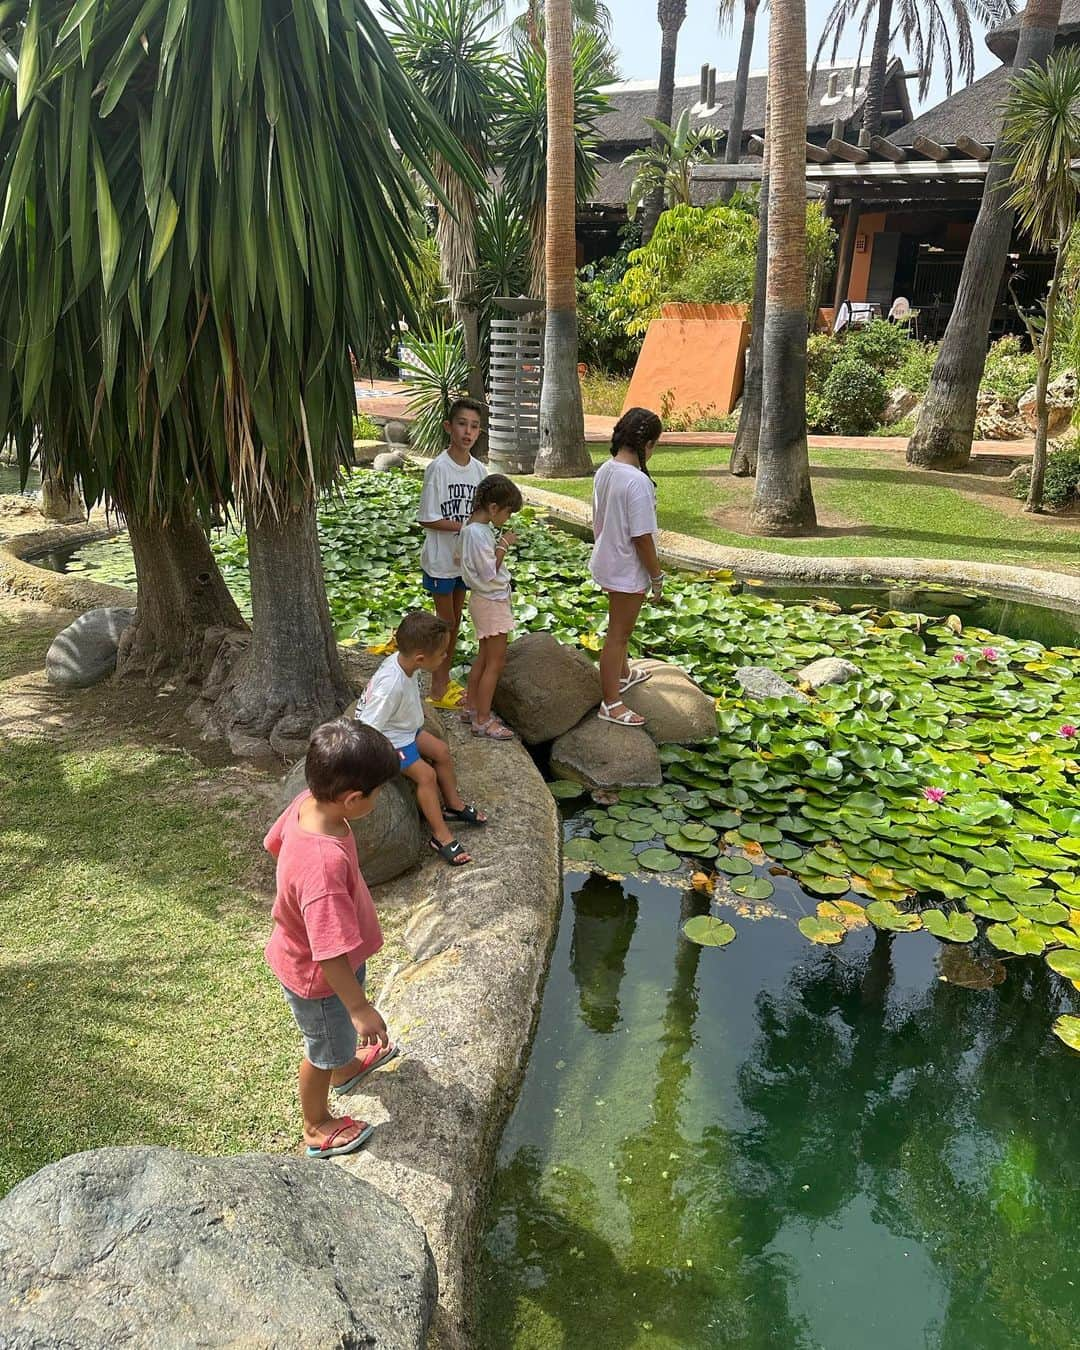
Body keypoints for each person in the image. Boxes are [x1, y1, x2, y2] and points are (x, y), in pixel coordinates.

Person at [264, 719, 401, 1159]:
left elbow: (274, 842)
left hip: (329, 965)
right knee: (321, 1049)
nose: (378, 801)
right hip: (319, 978)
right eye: (377, 794)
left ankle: (347, 1068)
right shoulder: (321, 868)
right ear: (353, 799)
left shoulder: (308, 802)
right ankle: (316, 1123)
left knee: (336, 1040)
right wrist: (360, 1008)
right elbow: (328, 954)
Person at [356, 609, 488, 866]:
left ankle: (453, 804)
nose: (445, 657)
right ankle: (440, 836)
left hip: (406, 731)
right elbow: (367, 727)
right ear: (420, 658)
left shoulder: (408, 664)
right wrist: (381, 760)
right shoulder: (390, 685)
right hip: (389, 740)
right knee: (426, 776)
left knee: (440, 751)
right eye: (441, 654)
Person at [589, 407, 664, 726]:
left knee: (618, 624)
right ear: (647, 444)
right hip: (626, 568)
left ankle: (623, 672)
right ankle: (611, 701)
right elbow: (642, 538)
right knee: (619, 633)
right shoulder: (636, 482)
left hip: (608, 560)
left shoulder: (606, 469)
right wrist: (656, 576)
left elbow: (598, 517)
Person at [417, 398, 489, 706]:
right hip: (440, 562)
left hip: (464, 563)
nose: (467, 432)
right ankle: (437, 688)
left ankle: (443, 683)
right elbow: (427, 516)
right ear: (449, 426)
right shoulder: (438, 468)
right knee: (444, 625)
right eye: (462, 424)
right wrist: (464, 527)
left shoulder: (480, 470)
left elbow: (484, 512)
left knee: (454, 623)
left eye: (474, 426)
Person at [458, 474, 523, 740]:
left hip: (484, 600)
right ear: (494, 507)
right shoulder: (478, 533)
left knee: (484, 657)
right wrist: (504, 545)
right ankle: (483, 719)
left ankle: (472, 707)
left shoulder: (471, 528)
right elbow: (487, 571)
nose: (507, 519)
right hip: (491, 601)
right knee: (495, 662)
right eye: (507, 512)